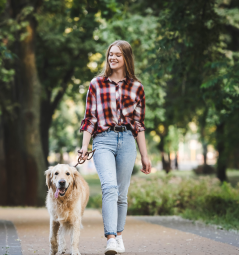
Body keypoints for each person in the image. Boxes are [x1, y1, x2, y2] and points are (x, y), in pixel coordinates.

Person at [78, 40, 152, 255]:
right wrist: (85, 146)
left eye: (118, 55)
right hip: (102, 140)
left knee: (121, 193)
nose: (113, 58)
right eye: (111, 54)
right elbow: (89, 118)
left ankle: (119, 236)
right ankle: (110, 238)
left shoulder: (137, 87)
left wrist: (145, 156)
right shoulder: (96, 84)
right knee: (109, 187)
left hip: (128, 141)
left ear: (126, 58)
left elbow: (139, 124)